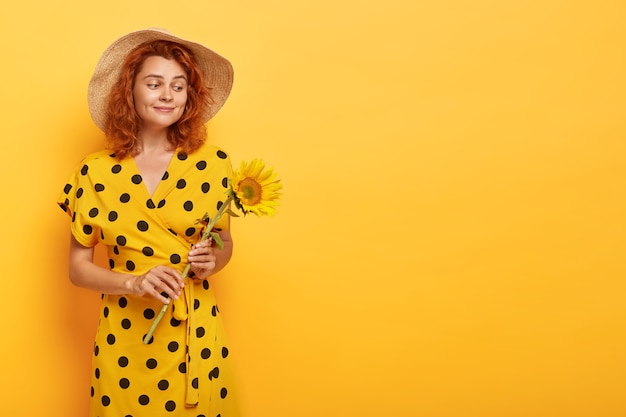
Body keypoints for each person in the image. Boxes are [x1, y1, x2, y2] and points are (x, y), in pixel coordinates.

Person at [57, 28, 240, 416]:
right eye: (154, 83)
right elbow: (77, 269)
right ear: (131, 92)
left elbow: (223, 243)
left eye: (178, 85)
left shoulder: (215, 164)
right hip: (124, 340)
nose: (168, 94)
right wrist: (134, 282)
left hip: (196, 336)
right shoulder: (94, 172)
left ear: (189, 95)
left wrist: (214, 260)